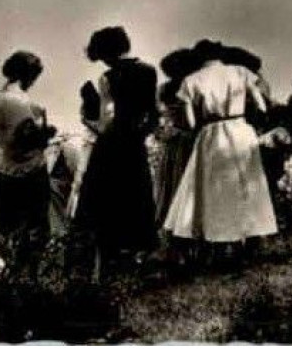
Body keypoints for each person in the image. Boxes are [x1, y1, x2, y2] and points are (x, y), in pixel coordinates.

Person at [162, 39, 278, 253]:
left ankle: (222, 243)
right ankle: (253, 239)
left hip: (212, 133)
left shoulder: (191, 80)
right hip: (241, 129)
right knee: (247, 185)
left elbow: (191, 122)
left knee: (216, 191)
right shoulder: (241, 72)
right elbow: (262, 106)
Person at [72, 26, 160, 271]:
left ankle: (107, 264)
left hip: (111, 147)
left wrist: (85, 116)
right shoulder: (148, 71)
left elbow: (105, 121)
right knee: (136, 197)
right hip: (136, 144)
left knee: (106, 204)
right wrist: (141, 134)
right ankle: (136, 258)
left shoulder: (108, 78)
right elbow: (153, 113)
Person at [0, 50, 54, 260]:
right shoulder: (22, 104)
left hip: (2, 171)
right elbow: (25, 144)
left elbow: (0, 132)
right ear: (29, 76)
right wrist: (45, 134)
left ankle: (12, 277)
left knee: (7, 230)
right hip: (29, 173)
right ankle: (32, 277)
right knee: (36, 230)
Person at [152, 47, 201, 227]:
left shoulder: (164, 89)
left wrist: (161, 133)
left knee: (171, 184)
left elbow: (154, 116)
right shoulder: (188, 86)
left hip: (177, 140)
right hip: (189, 139)